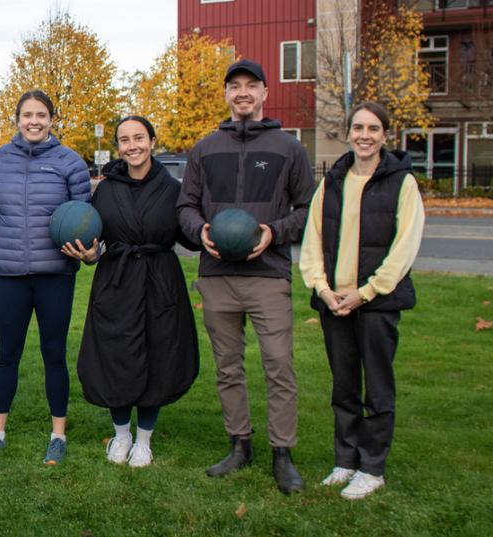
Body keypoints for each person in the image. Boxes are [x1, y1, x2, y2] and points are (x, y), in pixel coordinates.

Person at [176, 59, 315, 494]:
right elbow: (185, 207)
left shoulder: (289, 148)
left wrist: (275, 232)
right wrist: (199, 231)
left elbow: (309, 209)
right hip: (217, 275)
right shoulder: (203, 149)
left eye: (250, 86)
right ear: (226, 95)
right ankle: (240, 444)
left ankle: (283, 453)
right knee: (228, 367)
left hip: (268, 274)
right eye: (234, 86)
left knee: (278, 364)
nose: (242, 93)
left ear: (264, 93)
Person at [300, 102, 425, 500]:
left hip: (376, 303)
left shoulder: (401, 183)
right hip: (335, 302)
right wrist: (322, 289)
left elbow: (404, 249)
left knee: (378, 390)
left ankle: (372, 467)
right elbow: (312, 240)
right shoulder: (333, 180)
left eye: (373, 128)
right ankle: (346, 460)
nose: (364, 135)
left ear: (385, 135)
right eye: (358, 127)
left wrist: (365, 293)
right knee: (344, 387)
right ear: (349, 132)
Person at [72, 116, 200, 468]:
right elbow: (94, 239)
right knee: (116, 353)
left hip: (161, 281)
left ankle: (143, 440)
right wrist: (89, 254)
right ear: (118, 147)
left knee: (159, 353)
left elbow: (190, 234)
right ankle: (121, 434)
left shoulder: (174, 188)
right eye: (125, 140)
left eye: (139, 138)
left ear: (154, 142)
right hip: (117, 280)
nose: (133, 146)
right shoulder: (107, 189)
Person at [0, 90, 91, 465]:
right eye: (27, 115)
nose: (34, 121)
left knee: (54, 356)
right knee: (7, 356)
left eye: (41, 114)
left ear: (52, 120)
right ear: (17, 119)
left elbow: (85, 220)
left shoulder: (70, 162)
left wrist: (91, 251)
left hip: (56, 274)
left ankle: (58, 436)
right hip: (10, 275)